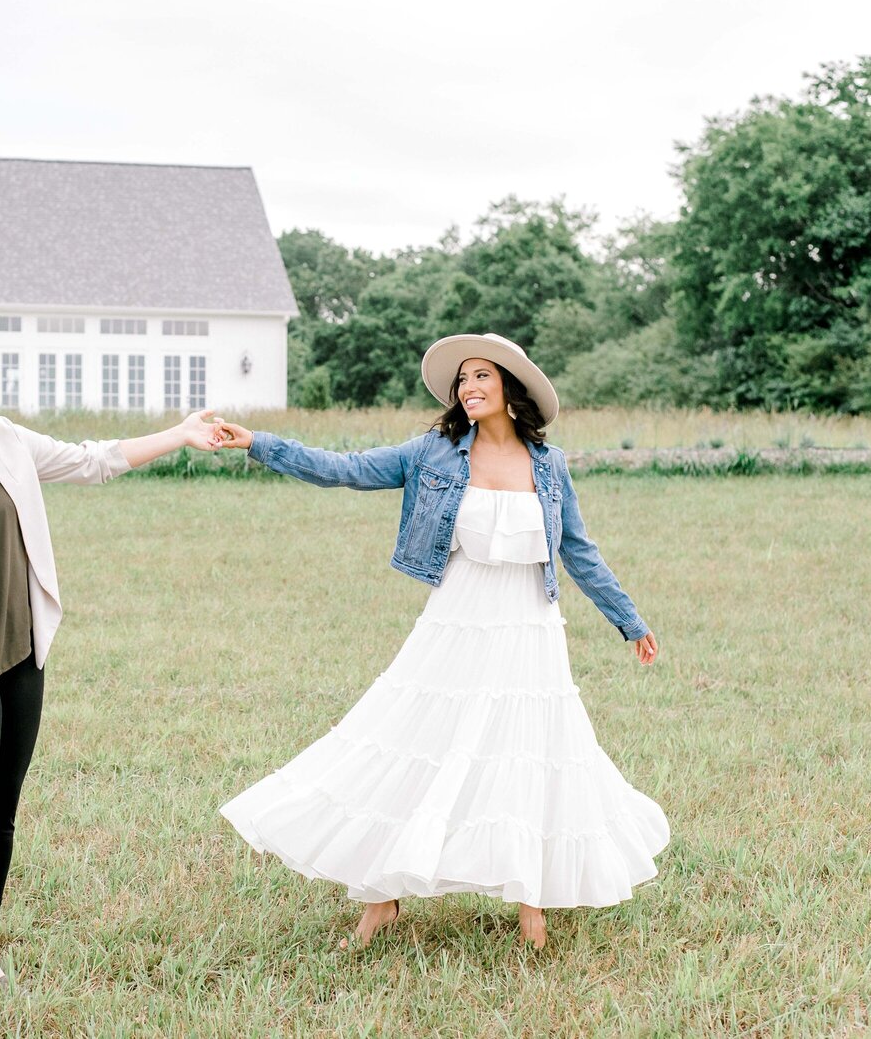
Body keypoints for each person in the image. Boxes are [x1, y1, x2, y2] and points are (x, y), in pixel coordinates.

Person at [214, 333, 668, 950]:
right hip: (455, 625)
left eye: (481, 375)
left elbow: (577, 552)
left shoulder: (550, 465)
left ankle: (531, 905)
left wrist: (629, 619)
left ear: (512, 387)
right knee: (411, 743)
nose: (468, 387)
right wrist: (260, 444)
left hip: (530, 630)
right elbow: (345, 469)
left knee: (527, 756)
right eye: (462, 379)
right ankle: (381, 898)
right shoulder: (434, 453)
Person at [0, 338, 224, 990]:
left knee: (5, 806)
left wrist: (180, 434)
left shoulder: (6, 442)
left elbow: (96, 461)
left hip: (23, 657)